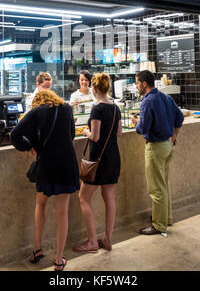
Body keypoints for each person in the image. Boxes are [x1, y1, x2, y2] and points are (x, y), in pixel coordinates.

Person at [11, 89, 80, 271]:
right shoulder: (66, 108)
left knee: (40, 204)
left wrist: (30, 147)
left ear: (37, 100)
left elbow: (15, 134)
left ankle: (37, 249)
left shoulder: (36, 111)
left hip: (47, 164)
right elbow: (71, 134)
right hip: (67, 163)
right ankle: (58, 259)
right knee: (62, 212)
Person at [73, 73, 122, 254]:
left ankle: (92, 242)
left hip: (97, 160)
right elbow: (119, 133)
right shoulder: (116, 108)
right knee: (109, 198)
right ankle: (107, 240)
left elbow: (95, 136)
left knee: (83, 197)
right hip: (113, 158)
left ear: (94, 89)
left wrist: (85, 131)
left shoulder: (97, 108)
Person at [131, 70, 184, 235]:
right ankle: (166, 218)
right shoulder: (165, 97)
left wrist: (136, 122)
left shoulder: (148, 101)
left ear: (144, 84)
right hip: (168, 146)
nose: (136, 86)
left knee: (156, 189)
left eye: (137, 83)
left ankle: (159, 225)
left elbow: (143, 129)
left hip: (155, 148)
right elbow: (179, 117)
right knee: (164, 184)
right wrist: (174, 134)